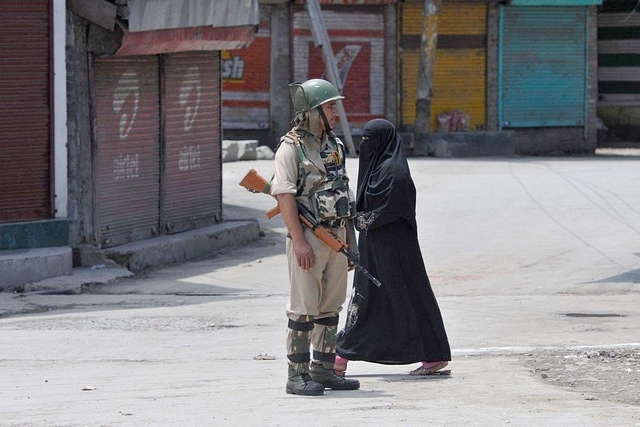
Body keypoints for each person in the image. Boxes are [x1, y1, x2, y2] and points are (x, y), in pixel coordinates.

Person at [335, 118, 451, 376]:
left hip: (395, 248)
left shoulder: (394, 172)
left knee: (385, 297)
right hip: (376, 247)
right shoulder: (378, 169)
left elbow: (390, 209)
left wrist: (359, 220)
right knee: (387, 297)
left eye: (369, 139)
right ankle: (433, 355)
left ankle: (340, 356)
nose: (365, 144)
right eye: (363, 138)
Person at [270, 78, 361, 396]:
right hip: (308, 239)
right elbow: (284, 197)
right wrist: (299, 241)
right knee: (303, 308)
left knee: (330, 308)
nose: (337, 112)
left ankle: (323, 371)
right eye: (330, 107)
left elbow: (343, 194)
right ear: (311, 112)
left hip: (336, 237)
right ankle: (297, 375)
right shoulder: (290, 148)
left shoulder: (333, 145)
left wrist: (350, 241)